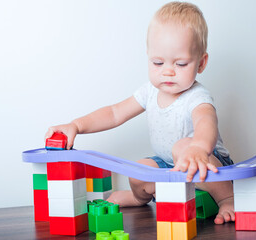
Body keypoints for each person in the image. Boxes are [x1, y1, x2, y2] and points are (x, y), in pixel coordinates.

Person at [45, 2, 235, 224]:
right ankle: (138, 198)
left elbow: (206, 121)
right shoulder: (150, 91)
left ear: (201, 63)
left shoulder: (197, 96)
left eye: (181, 64)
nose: (168, 71)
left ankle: (228, 198)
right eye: (157, 62)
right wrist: (76, 125)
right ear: (148, 56)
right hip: (168, 164)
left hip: (209, 163)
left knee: (182, 147)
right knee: (138, 170)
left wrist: (199, 147)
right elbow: (115, 113)